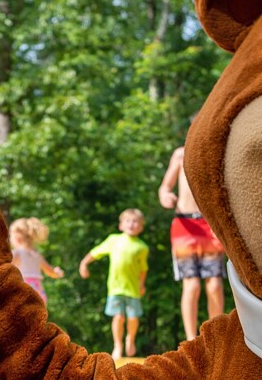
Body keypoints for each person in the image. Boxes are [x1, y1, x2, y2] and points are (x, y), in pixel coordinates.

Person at [157, 143, 227, 341]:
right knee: (192, 285)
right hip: (184, 225)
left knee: (214, 284)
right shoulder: (181, 154)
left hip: (209, 224)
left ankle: (216, 338)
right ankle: (190, 340)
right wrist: (166, 197)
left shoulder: (216, 152)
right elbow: (164, 187)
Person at [79, 209, 151, 359]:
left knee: (133, 318)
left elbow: (143, 269)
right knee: (118, 317)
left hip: (133, 289)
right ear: (121, 225)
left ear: (141, 227)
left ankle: (130, 338)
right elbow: (96, 252)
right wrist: (84, 263)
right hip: (115, 288)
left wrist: (142, 284)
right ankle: (118, 345)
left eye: (135, 221)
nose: (132, 224)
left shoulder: (142, 247)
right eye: (128, 221)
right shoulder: (114, 240)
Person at [9, 218, 64, 300]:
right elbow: (50, 272)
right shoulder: (37, 255)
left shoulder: (17, 253)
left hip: (23, 293)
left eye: (10, 236)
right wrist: (56, 273)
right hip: (39, 294)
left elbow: (3, 268)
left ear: (17, 238)